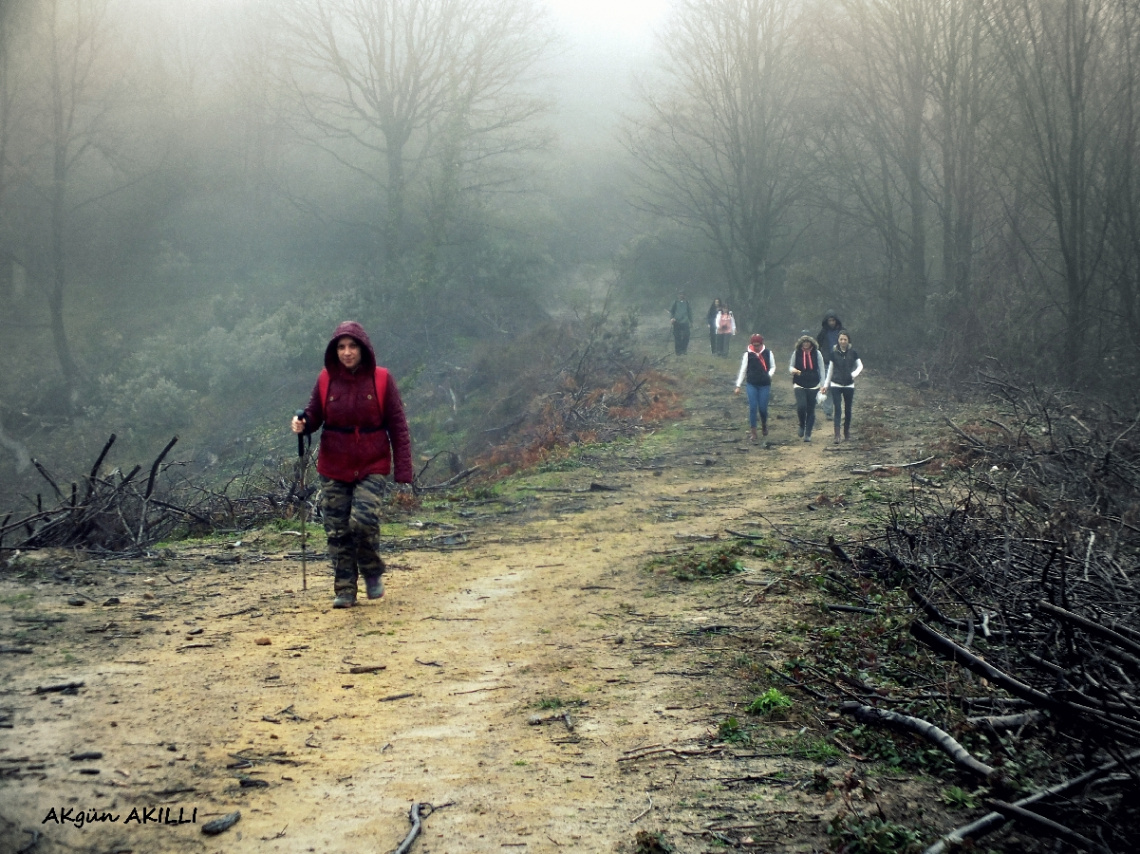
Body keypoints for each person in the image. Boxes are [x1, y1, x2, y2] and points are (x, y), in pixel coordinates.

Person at [291, 321, 413, 608]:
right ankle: (345, 589)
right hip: (334, 465)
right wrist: (303, 424)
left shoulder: (382, 379)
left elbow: (398, 426)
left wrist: (403, 471)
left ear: (364, 348)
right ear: (335, 351)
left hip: (373, 462)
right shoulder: (325, 380)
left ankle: (371, 570)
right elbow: (314, 415)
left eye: (352, 346)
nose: (347, 352)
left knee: (362, 521)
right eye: (342, 347)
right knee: (337, 529)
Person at [822, 330, 863, 442]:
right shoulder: (833, 354)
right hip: (836, 384)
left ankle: (846, 432)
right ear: (838, 341)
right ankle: (837, 435)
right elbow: (830, 371)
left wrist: (853, 374)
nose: (843, 341)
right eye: (841, 339)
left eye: (845, 339)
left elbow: (860, 366)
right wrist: (825, 385)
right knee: (838, 409)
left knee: (848, 409)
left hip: (849, 385)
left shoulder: (853, 353)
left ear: (848, 340)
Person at [734, 333, 775, 442]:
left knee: (762, 408)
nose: (756, 347)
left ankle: (764, 423)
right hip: (751, 384)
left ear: (762, 344)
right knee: (753, 407)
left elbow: (773, 367)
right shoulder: (747, 355)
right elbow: (743, 370)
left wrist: (769, 375)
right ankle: (753, 432)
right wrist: (738, 385)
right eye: (754, 345)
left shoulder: (768, 353)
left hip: (764, 385)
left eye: (758, 345)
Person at [789, 331, 823, 443]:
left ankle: (808, 433)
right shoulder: (797, 353)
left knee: (811, 409)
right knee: (801, 406)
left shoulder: (817, 353)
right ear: (801, 342)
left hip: (814, 384)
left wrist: (823, 385)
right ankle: (801, 424)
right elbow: (791, 367)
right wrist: (794, 371)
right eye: (804, 342)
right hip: (799, 383)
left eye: (808, 341)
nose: (806, 344)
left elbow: (821, 370)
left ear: (811, 342)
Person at [817, 311, 843, 418]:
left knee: (838, 386)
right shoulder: (823, 332)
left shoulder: (842, 332)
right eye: (829, 320)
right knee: (827, 386)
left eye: (833, 320)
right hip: (827, 362)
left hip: (840, 363)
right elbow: (817, 345)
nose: (831, 322)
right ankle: (828, 411)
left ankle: (838, 409)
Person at [669, 291, 693, 355]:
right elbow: (672, 312)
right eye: (680, 294)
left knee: (686, 336)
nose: (681, 296)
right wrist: (672, 318)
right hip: (676, 322)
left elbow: (689, 312)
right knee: (677, 337)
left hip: (685, 322)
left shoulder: (687, 303)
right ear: (678, 295)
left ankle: (684, 350)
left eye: (683, 294)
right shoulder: (675, 303)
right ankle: (678, 351)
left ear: (685, 296)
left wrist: (691, 322)